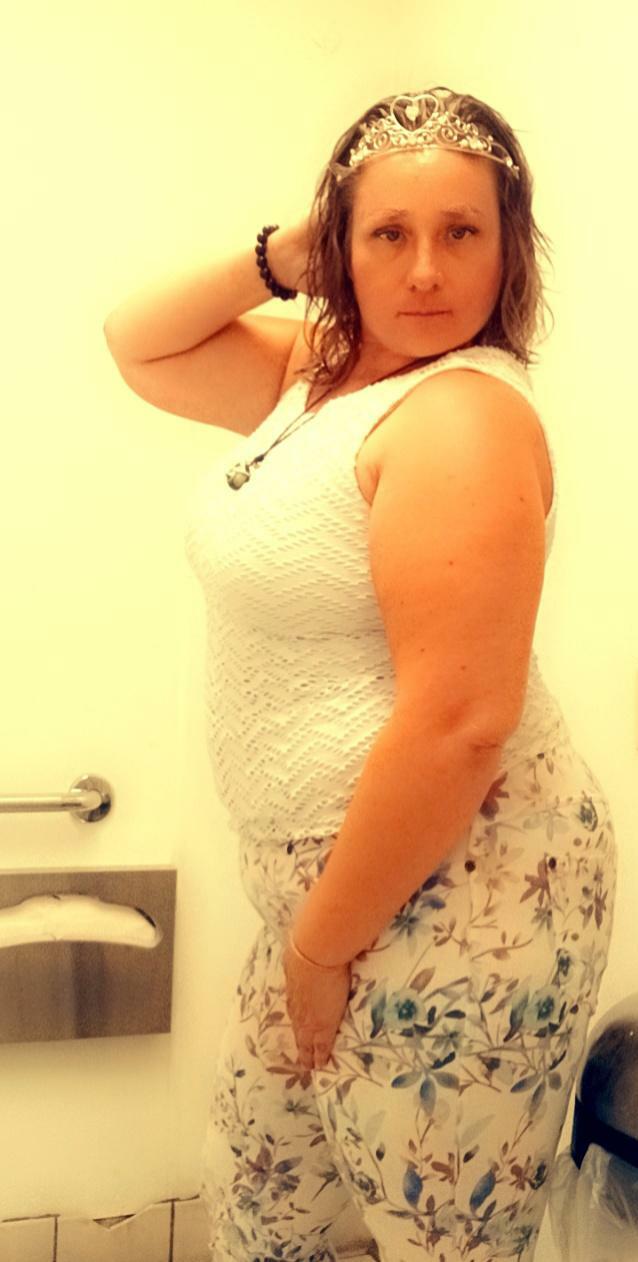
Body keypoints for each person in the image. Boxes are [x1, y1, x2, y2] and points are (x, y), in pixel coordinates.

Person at [104, 87, 617, 1262]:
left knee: (437, 1236)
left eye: (461, 231)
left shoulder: (458, 421)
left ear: (508, 247)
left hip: (467, 886)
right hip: (335, 888)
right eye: (388, 232)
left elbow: (458, 723)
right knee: (266, 1200)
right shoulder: (328, 373)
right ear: (341, 242)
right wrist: (286, 253)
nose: (425, 270)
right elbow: (138, 342)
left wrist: (317, 948)